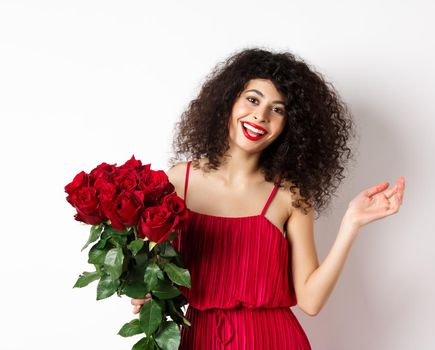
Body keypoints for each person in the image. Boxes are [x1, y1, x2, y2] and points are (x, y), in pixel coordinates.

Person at [130, 47, 406, 349]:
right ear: (228, 101)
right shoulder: (176, 182)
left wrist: (351, 224)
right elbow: (160, 274)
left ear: (290, 125)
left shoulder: (290, 196)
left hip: (273, 340)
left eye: (277, 109)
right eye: (252, 99)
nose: (260, 116)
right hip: (201, 339)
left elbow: (310, 302)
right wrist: (144, 289)